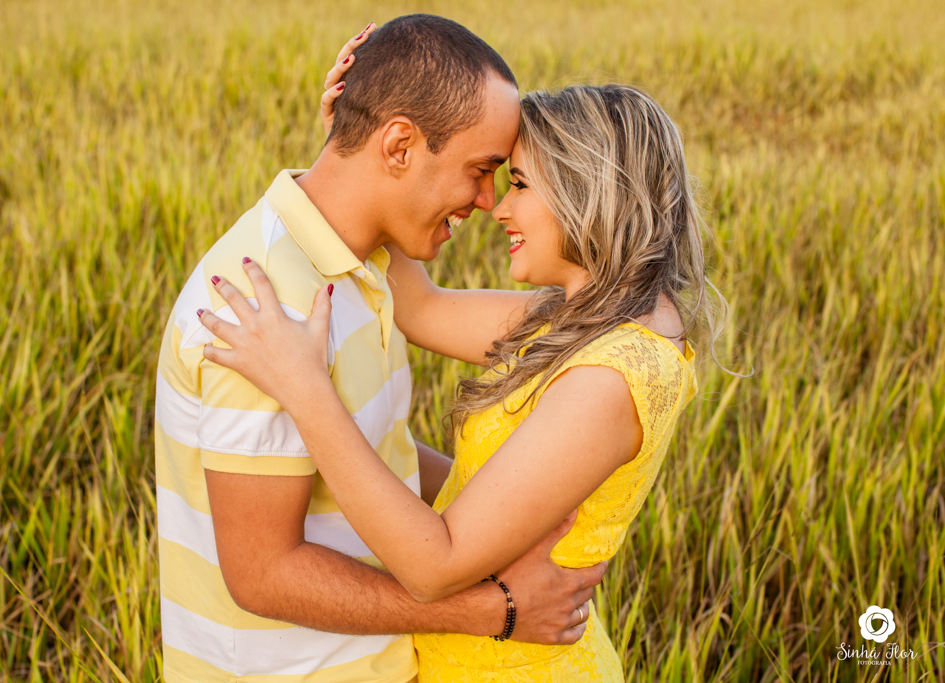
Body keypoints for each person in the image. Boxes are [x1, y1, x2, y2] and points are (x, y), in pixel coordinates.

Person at [197, 53, 720, 679]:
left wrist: (305, 389)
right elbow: (421, 307)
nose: (497, 208)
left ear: (590, 192)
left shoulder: (612, 377)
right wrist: (356, 152)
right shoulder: (582, 321)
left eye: (520, 184)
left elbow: (433, 566)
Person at [153, 15, 608, 683]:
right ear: (398, 146)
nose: (487, 202)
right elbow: (264, 573)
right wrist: (493, 609)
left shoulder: (362, 264)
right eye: (481, 170)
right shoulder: (262, 308)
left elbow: (378, 454)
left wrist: (499, 515)